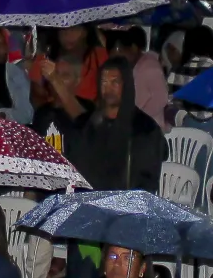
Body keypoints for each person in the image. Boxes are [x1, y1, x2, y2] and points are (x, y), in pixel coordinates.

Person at [64, 56, 166, 191]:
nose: (108, 88)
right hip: (89, 203)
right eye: (104, 82)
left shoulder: (144, 129)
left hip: (126, 206)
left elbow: (147, 183)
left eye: (114, 82)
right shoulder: (85, 125)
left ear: (126, 84)